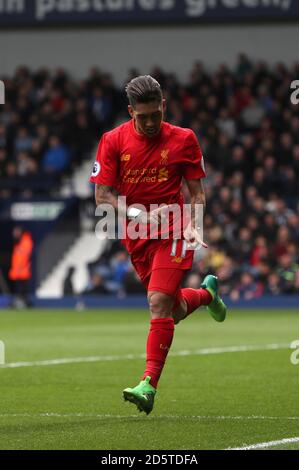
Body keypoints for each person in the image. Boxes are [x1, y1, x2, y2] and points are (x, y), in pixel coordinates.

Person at [90, 75, 227, 415]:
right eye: (143, 116)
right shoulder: (112, 141)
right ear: (130, 112)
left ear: (164, 106)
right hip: (138, 237)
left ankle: (147, 384)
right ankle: (208, 295)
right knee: (173, 309)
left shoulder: (184, 139)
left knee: (157, 302)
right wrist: (132, 211)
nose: (151, 123)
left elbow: (196, 192)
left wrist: (194, 226)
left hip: (176, 228)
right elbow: (102, 196)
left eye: (156, 114)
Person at [9, 226, 33, 307]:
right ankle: (20, 302)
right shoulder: (18, 243)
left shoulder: (26, 241)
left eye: (16, 232)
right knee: (19, 288)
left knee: (23, 289)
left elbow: (24, 256)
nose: (14, 234)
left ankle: (24, 303)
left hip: (22, 271)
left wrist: (19, 268)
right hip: (18, 271)